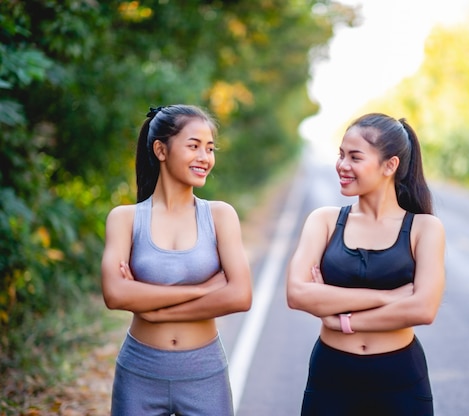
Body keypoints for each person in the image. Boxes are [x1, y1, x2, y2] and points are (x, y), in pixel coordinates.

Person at [287, 113, 446, 415]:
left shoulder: (425, 228)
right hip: (331, 375)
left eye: (355, 157)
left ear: (390, 165)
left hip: (400, 378)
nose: (342, 166)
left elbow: (423, 309)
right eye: (341, 155)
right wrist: (388, 297)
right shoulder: (324, 220)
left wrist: (342, 321)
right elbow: (297, 293)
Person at [101, 104, 252, 415]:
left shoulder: (220, 215)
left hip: (204, 373)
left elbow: (240, 295)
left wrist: (153, 308)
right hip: (139, 373)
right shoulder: (125, 219)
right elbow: (115, 294)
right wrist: (203, 289)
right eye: (193, 146)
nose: (205, 158)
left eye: (210, 149)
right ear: (161, 150)